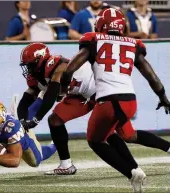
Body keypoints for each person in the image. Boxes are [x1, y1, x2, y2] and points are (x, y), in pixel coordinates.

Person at [18, 43, 170, 177]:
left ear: (40, 60)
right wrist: (22, 121)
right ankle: (66, 165)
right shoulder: (37, 78)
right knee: (55, 120)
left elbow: (50, 97)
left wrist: (36, 119)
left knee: (127, 134)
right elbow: (25, 102)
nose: (28, 69)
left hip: (99, 92)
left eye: (30, 65)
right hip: (80, 96)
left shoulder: (56, 65)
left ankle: (149, 158)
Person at [62, 7, 170, 192]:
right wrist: (163, 97)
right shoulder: (133, 44)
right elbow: (151, 77)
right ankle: (143, 163)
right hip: (130, 101)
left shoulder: (93, 40)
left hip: (108, 101)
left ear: (101, 25)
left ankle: (132, 172)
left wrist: (63, 88)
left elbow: (70, 69)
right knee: (126, 134)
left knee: (95, 140)